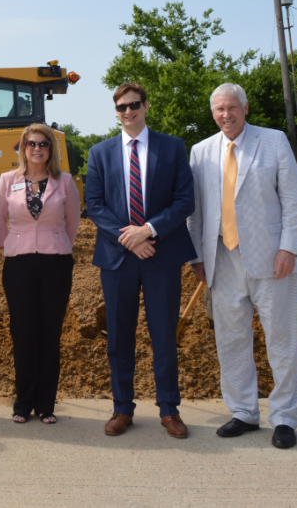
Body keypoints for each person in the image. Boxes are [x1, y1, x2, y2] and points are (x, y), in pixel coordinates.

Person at [187, 83, 297, 449]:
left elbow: (293, 199)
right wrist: (196, 257)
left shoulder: (273, 142)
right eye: (219, 109)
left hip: (273, 259)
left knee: (283, 339)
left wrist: (289, 248)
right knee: (231, 339)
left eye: (232, 108)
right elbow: (195, 212)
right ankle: (243, 412)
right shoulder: (201, 151)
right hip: (221, 258)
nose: (226, 115)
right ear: (212, 113)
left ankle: (284, 418)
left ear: (246, 108)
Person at [85, 83, 196, 439]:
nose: (128, 112)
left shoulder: (173, 147)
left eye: (134, 105)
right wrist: (130, 240)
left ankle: (169, 409)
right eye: (121, 107)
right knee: (119, 336)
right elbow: (96, 205)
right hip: (119, 258)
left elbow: (184, 200)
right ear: (115, 112)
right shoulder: (99, 153)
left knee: (163, 334)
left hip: (162, 255)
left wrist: (148, 231)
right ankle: (122, 408)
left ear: (146, 106)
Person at [0, 123, 81, 424]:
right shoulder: (7, 181)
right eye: (32, 144)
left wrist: (59, 243)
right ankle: (22, 403)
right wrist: (10, 245)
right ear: (23, 147)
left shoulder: (65, 181)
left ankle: (45, 405)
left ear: (51, 149)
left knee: (49, 333)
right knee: (24, 333)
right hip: (19, 264)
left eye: (44, 144)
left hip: (56, 262)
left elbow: (72, 221)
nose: (37, 149)